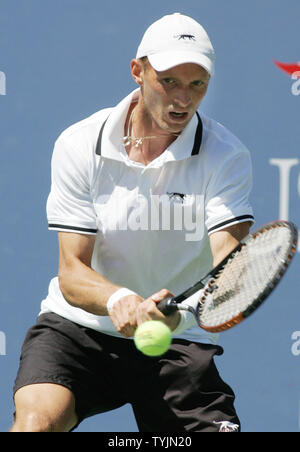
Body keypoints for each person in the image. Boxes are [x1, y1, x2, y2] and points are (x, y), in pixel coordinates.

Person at [11, 13, 254, 432]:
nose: (183, 99)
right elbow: (72, 273)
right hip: (79, 331)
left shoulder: (226, 156)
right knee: (35, 423)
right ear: (137, 72)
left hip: (177, 339)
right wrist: (117, 298)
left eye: (197, 84)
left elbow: (230, 277)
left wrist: (176, 316)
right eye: (169, 82)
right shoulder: (79, 143)